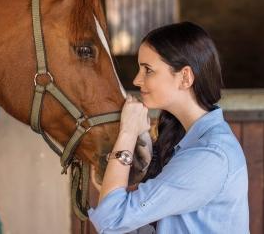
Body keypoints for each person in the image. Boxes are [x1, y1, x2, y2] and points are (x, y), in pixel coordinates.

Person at [88, 22, 249, 233]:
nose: (137, 80)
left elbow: (111, 221)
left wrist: (127, 132)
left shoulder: (209, 156)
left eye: (148, 70)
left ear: (185, 77)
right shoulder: (188, 141)